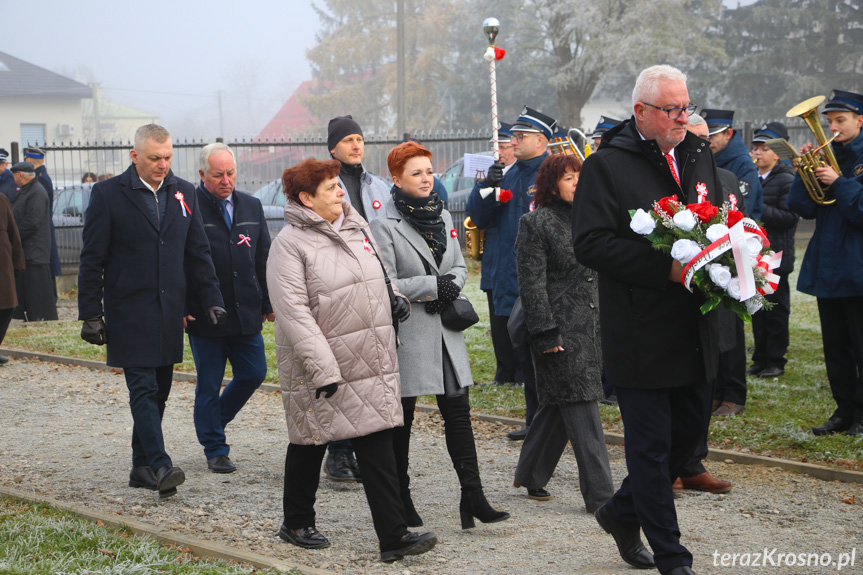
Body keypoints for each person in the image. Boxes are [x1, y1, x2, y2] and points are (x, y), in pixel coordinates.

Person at [573, 65, 721, 575]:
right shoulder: (606, 165)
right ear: (641, 111)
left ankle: (619, 511)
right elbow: (589, 243)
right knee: (651, 453)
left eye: (687, 106)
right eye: (672, 109)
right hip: (640, 331)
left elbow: (716, 217)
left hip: (695, 325)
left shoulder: (697, 153)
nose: (684, 117)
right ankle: (672, 557)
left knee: (687, 442)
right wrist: (666, 268)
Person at [267, 157, 437, 562]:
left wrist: (394, 299)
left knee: (377, 441)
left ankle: (393, 538)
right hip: (320, 362)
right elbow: (293, 313)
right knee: (311, 439)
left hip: (366, 357)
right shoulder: (289, 245)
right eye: (331, 189)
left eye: (339, 186)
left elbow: (379, 274)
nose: (341, 193)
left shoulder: (357, 225)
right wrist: (323, 369)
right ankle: (296, 521)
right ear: (307, 199)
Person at [78, 124, 227, 499]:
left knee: (159, 390)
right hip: (128, 310)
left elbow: (197, 252)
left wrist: (211, 298)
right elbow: (92, 258)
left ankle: (140, 466)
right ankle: (160, 464)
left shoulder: (184, 192)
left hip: (169, 310)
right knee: (142, 388)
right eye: (154, 158)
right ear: (134, 156)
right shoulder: (108, 195)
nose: (162, 165)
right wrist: (90, 313)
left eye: (167, 158)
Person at [370, 141, 511, 530]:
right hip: (411, 333)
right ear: (396, 179)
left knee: (459, 415)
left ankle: (474, 496)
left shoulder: (445, 216)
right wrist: (434, 286)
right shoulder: (384, 224)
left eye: (429, 171)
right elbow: (386, 280)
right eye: (416, 173)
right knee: (405, 419)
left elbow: (461, 265)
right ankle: (401, 496)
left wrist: (450, 283)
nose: (426, 179)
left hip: (446, 332)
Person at [511, 154, 614, 510]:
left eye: (581, 177)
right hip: (557, 331)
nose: (578, 184)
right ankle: (602, 497)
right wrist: (544, 333)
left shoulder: (595, 220)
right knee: (582, 405)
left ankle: (531, 473)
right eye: (570, 178)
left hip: (594, 329)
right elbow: (532, 286)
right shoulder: (535, 223)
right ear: (553, 185)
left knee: (560, 403)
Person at [467, 106, 556, 441]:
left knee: (543, 354)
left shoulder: (552, 173)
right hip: (510, 273)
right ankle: (535, 420)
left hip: (542, 277)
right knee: (524, 353)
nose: (514, 141)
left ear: (542, 139)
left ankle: (548, 423)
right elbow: (482, 217)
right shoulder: (509, 172)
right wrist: (485, 188)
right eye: (514, 136)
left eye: (521, 136)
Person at [186, 143, 273, 474]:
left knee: (254, 373)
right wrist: (184, 305)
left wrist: (267, 302)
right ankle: (215, 448)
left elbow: (263, 256)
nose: (226, 180)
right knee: (209, 381)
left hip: (245, 309)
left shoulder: (251, 205)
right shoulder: (189, 206)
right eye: (218, 174)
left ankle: (212, 422)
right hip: (205, 312)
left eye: (231, 173)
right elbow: (182, 262)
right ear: (202, 175)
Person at [787, 89, 863, 437]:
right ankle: (844, 411)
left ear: (860, 121)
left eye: (840, 121)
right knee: (836, 349)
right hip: (830, 267)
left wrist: (840, 182)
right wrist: (804, 172)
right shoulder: (828, 155)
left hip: (858, 267)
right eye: (829, 121)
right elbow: (804, 208)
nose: (832, 127)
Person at [322, 114, 391, 482]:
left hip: (378, 287)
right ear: (333, 147)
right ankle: (339, 451)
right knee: (343, 372)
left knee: (372, 373)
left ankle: (365, 450)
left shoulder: (379, 187)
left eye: (359, 139)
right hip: (342, 289)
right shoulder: (324, 187)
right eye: (347, 140)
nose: (355, 145)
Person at [699, 109, 760, 418]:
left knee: (730, 327)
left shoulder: (729, 175)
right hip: (698, 263)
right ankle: (714, 391)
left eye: (705, 139)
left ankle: (733, 392)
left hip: (729, 258)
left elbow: (745, 215)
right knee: (710, 330)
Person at [748, 122, 797, 379]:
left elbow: (790, 217)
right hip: (758, 255)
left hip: (777, 255)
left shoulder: (786, 178)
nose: (756, 153)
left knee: (777, 309)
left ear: (777, 153)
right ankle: (760, 356)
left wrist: (757, 212)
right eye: (755, 147)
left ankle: (776, 359)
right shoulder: (754, 178)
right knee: (758, 306)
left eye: (763, 148)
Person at [475, 121, 518, 387]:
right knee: (498, 320)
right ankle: (504, 372)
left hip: (514, 260)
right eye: (495, 147)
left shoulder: (521, 174)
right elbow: (477, 215)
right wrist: (485, 187)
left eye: (503, 146)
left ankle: (520, 373)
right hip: (495, 258)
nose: (499, 153)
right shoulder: (490, 175)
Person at [9, 161, 57, 322]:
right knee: (26, 290)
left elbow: (31, 222)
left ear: (20, 175)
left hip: (34, 251)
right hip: (27, 251)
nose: (13, 178)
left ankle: (41, 319)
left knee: (37, 293)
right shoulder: (26, 191)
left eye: (14, 175)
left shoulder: (36, 192)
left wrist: (14, 238)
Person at [24, 147, 61, 292]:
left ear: (29, 160)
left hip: (42, 228)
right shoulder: (41, 176)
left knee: (47, 268)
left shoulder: (41, 179)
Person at [0, 190, 25, 365]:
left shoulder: (1, 199)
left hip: (2, 262)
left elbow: (12, 231)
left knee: (7, 306)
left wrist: (18, 261)